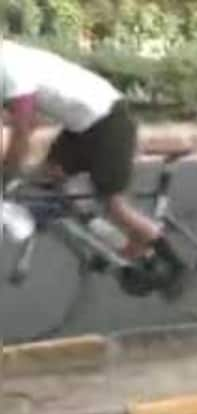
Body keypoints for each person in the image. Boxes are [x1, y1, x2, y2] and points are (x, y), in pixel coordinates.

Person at [0, 39, 185, 292]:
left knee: (114, 205)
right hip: (80, 126)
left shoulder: (9, 66)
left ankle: (176, 266)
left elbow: (24, 129)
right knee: (49, 180)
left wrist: (7, 174)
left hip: (108, 121)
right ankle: (113, 246)